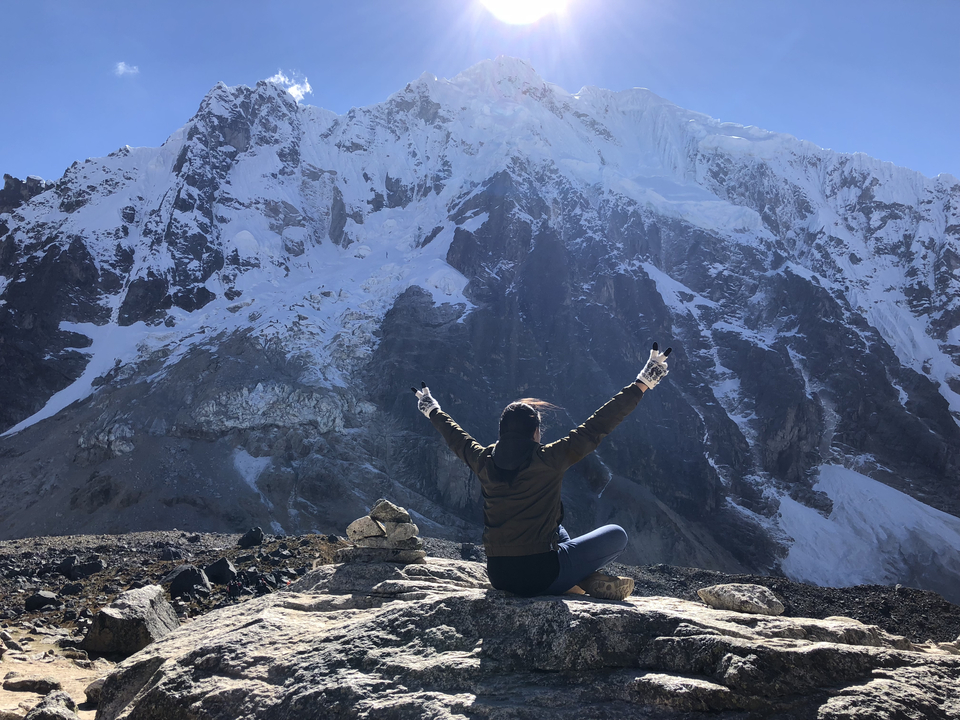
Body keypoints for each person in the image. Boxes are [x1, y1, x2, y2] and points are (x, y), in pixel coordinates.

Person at [412, 343, 671, 600]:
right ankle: (581, 579)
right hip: (540, 574)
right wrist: (642, 383)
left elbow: (455, 437)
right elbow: (596, 426)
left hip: (499, 575)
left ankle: (580, 579)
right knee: (617, 535)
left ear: (503, 432)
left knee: (558, 532)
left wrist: (432, 409)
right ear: (535, 431)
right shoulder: (548, 459)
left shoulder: (483, 459)